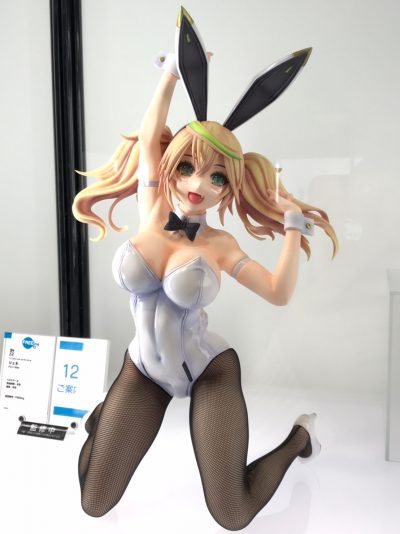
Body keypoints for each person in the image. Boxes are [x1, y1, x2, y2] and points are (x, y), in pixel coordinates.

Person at [72, 8, 337, 530]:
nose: (198, 184)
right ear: (172, 166)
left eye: (216, 177)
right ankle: (104, 415)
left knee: (232, 512)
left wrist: (292, 228)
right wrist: (170, 74)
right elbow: (149, 136)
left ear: (229, 187)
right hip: (144, 370)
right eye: (188, 167)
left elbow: (277, 292)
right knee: (94, 502)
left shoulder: (219, 244)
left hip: (207, 371)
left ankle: (301, 436)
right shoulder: (152, 207)